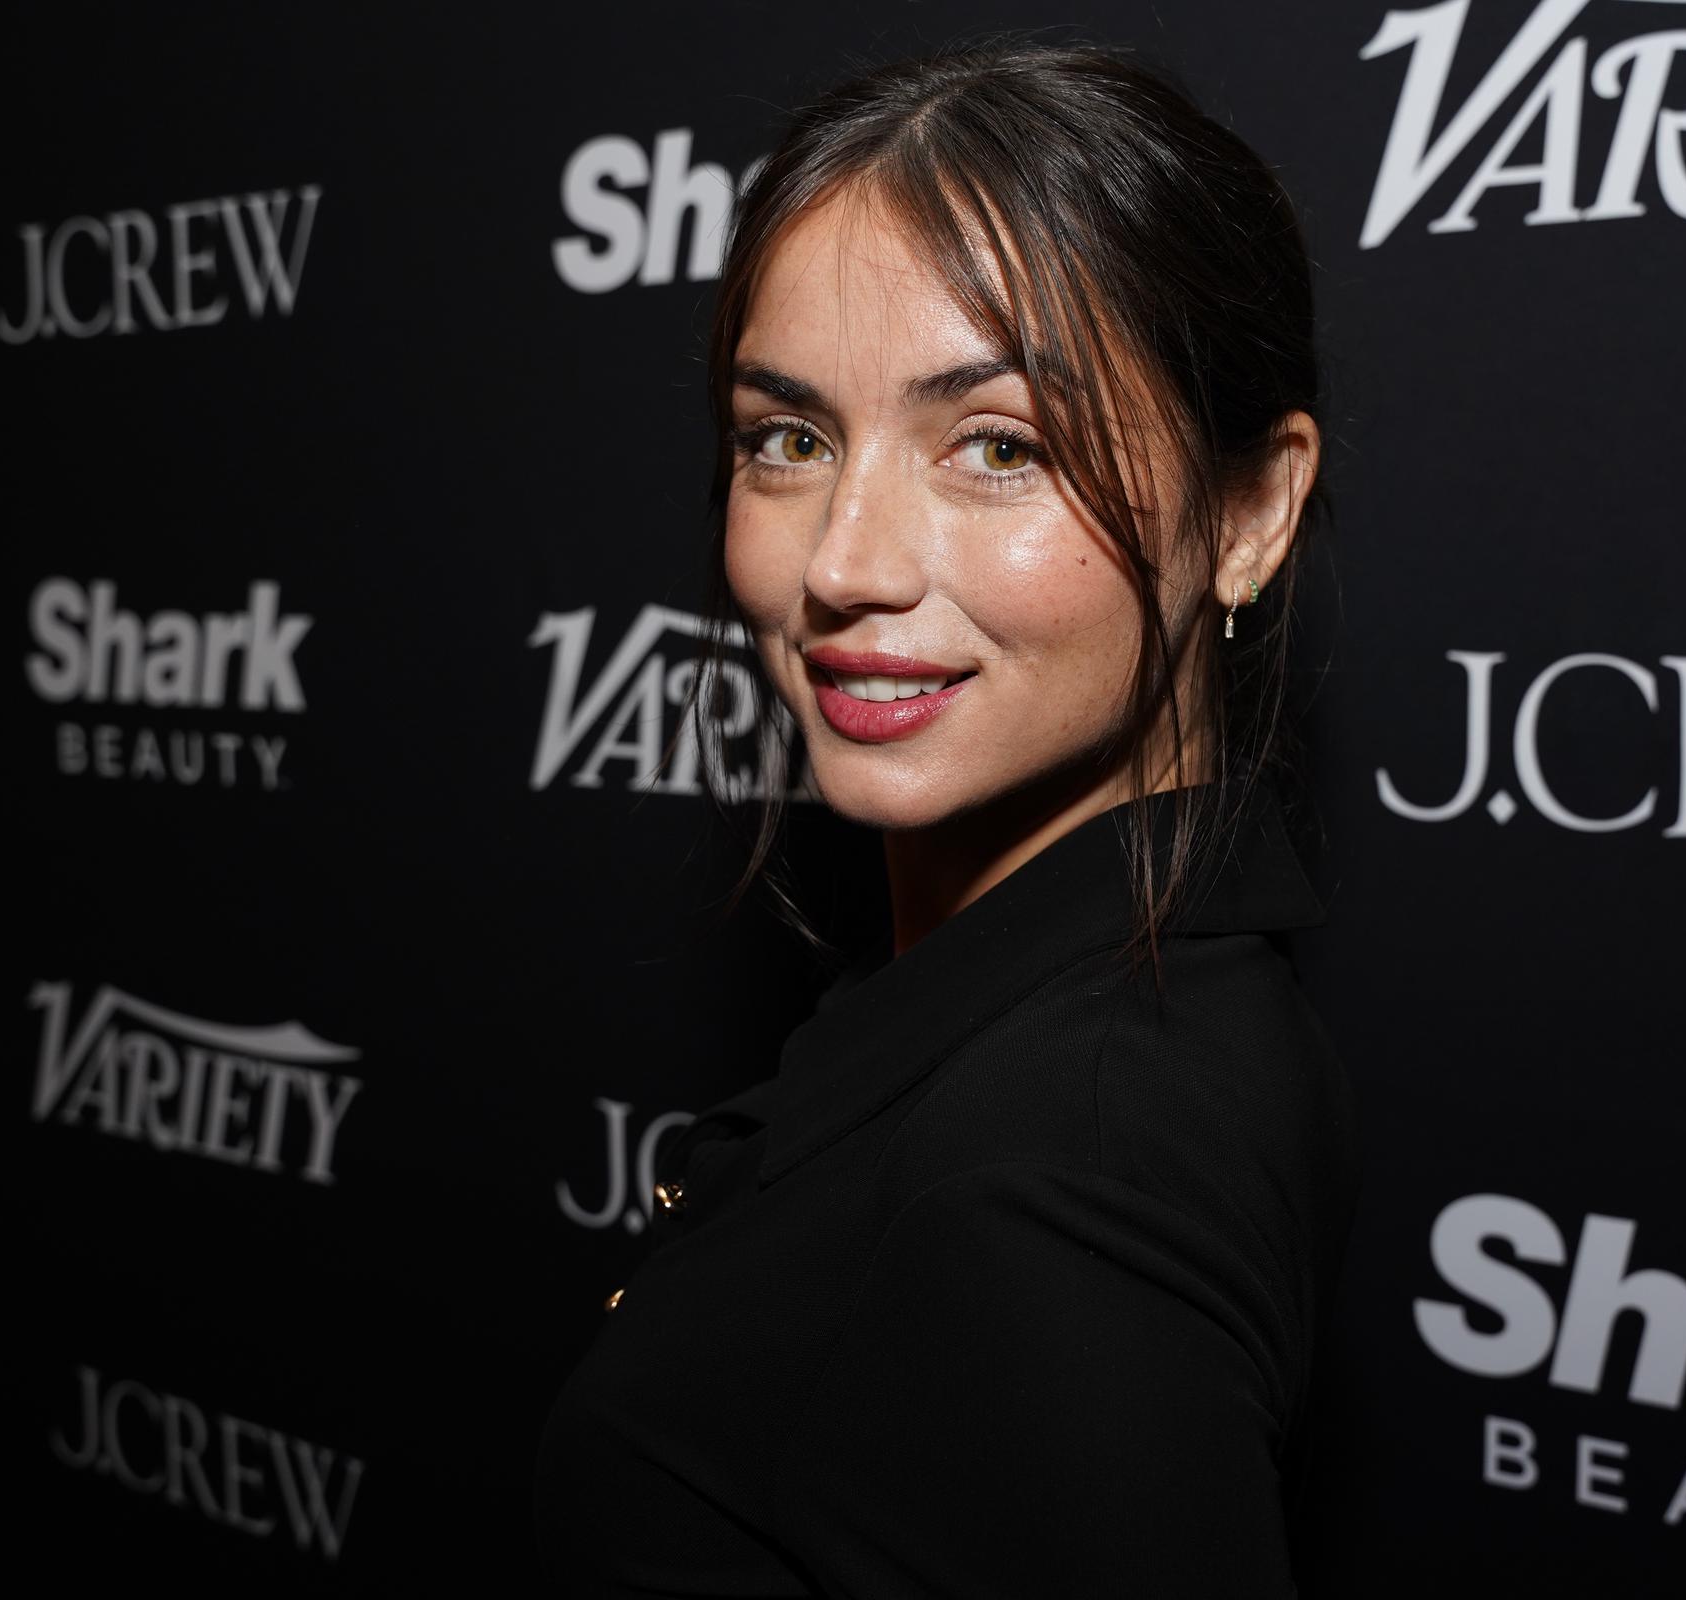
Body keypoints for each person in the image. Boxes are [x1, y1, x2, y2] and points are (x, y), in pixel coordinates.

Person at [532, 33, 1361, 1599]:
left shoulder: (1056, 1191)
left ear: (1252, 511)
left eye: (999, 447)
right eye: (787, 438)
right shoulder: (1152, 999)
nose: (842, 558)